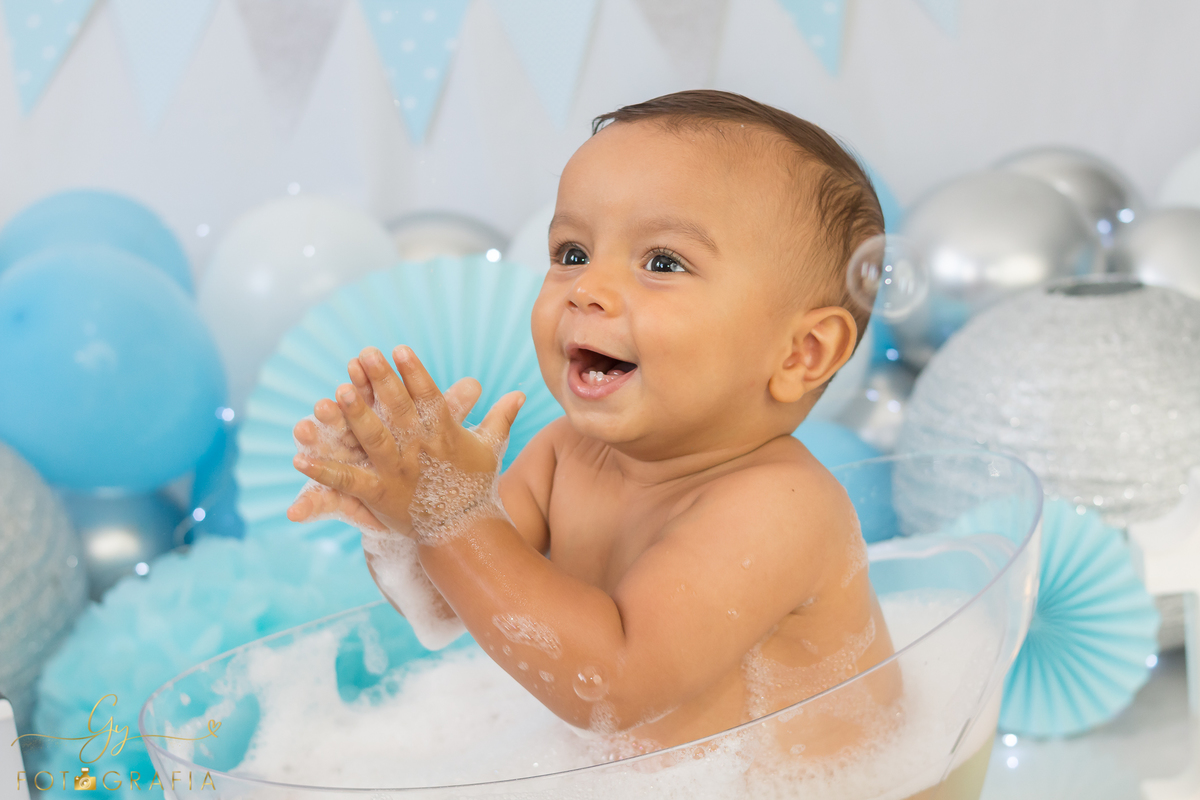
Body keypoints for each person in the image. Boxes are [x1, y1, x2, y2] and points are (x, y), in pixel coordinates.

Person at [286, 90, 897, 756]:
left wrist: (453, 516)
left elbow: (611, 687)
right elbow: (446, 605)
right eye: (572, 252)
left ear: (800, 353)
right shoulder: (562, 455)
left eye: (662, 263)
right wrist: (402, 520)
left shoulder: (779, 507)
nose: (585, 287)